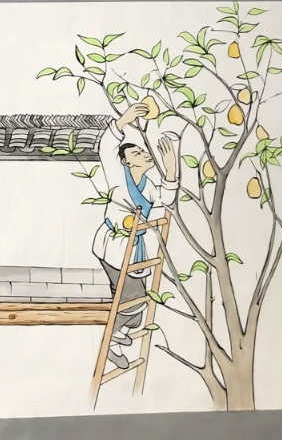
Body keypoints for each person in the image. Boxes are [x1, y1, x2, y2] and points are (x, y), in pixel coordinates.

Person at [91, 101, 179, 369]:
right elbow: (106, 147)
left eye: (143, 150)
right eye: (137, 152)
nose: (144, 153)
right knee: (132, 299)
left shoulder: (149, 187)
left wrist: (171, 170)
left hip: (136, 251)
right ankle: (111, 343)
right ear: (126, 161)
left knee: (136, 304)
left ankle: (117, 340)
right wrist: (125, 119)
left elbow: (166, 201)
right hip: (114, 247)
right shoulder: (118, 176)